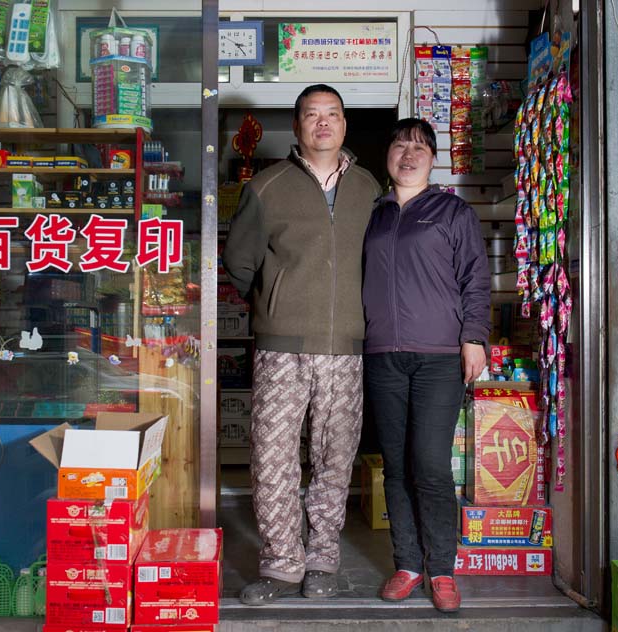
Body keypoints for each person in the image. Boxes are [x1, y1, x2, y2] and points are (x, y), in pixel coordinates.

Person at [223, 84, 381, 605]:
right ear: (295, 127)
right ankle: (281, 564)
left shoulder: (367, 188)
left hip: (346, 348)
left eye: (332, 114)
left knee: (335, 459)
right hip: (281, 348)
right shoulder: (267, 187)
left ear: (344, 124)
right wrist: (275, 301)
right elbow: (240, 262)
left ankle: (322, 562)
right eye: (311, 115)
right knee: (272, 458)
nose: (322, 123)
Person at [362, 118, 490, 613]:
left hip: (439, 356)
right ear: (388, 155)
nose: (409, 154)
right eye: (400, 144)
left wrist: (473, 337)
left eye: (420, 147)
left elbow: (476, 278)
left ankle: (441, 569)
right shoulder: (372, 214)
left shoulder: (452, 212)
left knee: (430, 465)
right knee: (395, 466)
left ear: (433, 158)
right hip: (382, 355)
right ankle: (407, 563)